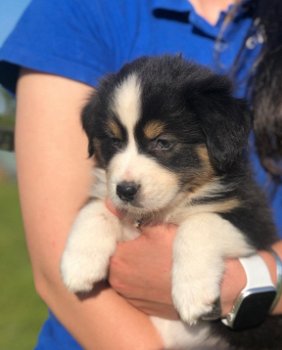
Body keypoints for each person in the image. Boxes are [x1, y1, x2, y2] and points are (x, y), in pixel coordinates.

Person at [0, 0, 282, 349]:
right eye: (115, 143)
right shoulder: (76, 10)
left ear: (219, 138)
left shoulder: (223, 195)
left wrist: (242, 274)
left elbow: (242, 233)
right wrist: (97, 219)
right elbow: (57, 269)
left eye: (162, 142)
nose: (127, 175)